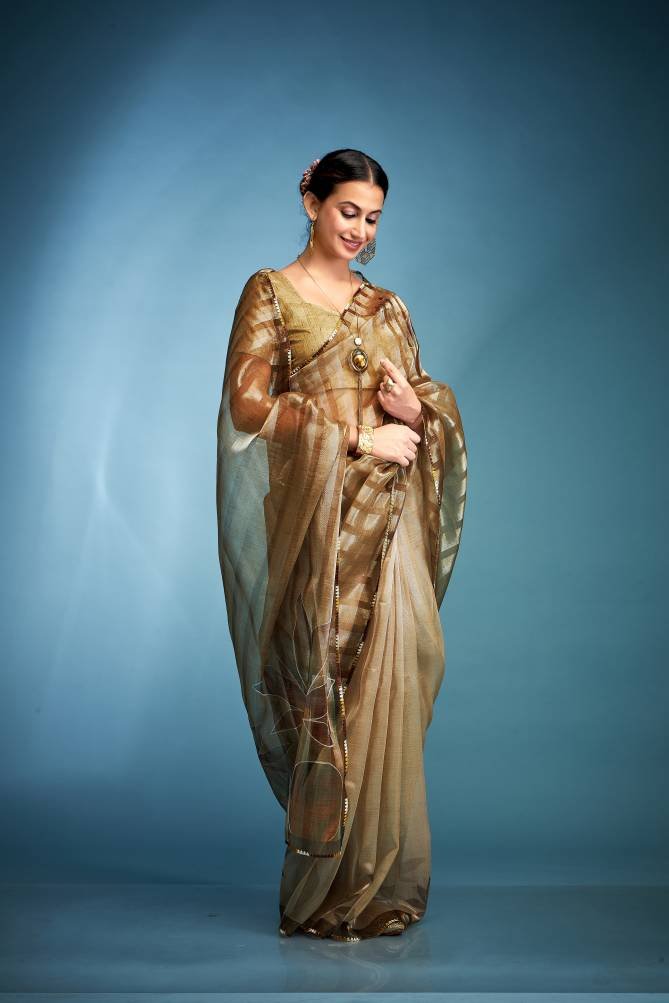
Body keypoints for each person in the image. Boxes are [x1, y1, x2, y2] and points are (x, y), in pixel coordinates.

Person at [216, 148, 467, 941]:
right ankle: (320, 890)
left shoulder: (386, 306)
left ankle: (374, 881)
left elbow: (421, 402)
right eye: (347, 211)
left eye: (372, 218)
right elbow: (247, 405)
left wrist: (417, 411)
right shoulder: (271, 293)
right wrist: (358, 435)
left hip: (385, 528)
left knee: (397, 678)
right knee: (320, 690)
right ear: (311, 202)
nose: (359, 229)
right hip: (317, 530)